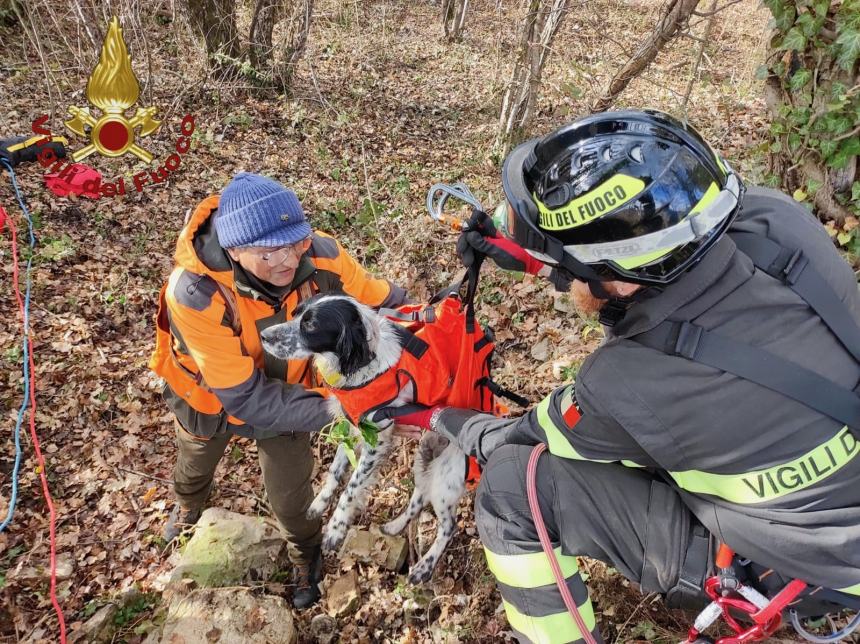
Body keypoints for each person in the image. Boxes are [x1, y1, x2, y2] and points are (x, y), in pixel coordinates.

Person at [397, 110, 860, 643]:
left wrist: (442, 417)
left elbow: (524, 433)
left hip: (793, 564)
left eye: (563, 270)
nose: (557, 280)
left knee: (510, 486)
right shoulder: (779, 218)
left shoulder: (624, 380)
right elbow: (637, 268)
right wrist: (526, 254)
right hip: (833, 474)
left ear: (610, 280)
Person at [149, 172, 409, 608]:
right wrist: (347, 408)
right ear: (233, 250)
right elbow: (246, 397)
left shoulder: (322, 255)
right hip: (208, 400)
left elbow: (388, 302)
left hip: (289, 398)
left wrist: (442, 322)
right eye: (269, 253)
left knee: (291, 496)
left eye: (296, 244)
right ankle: (188, 507)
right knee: (194, 465)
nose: (288, 261)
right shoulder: (194, 292)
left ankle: (305, 556)